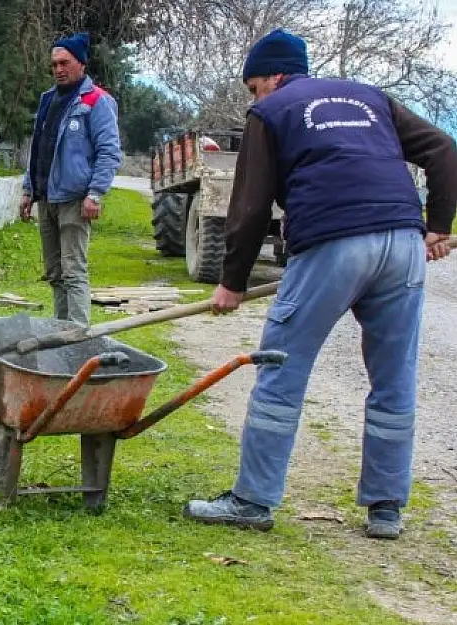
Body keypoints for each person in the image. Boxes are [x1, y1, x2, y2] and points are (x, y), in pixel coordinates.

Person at [183, 28, 456, 539]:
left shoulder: (272, 111)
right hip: (401, 244)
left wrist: (232, 283)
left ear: (273, 77)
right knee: (394, 377)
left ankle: (252, 499)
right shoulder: (371, 98)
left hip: (332, 244)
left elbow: (249, 204)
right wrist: (439, 225)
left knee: (281, 368)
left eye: (253, 86)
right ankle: (386, 509)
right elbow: (442, 147)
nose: (253, 97)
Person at [19, 31, 122, 327]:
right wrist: (29, 190)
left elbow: (110, 152)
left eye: (64, 63)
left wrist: (95, 193)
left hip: (75, 200)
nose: (58, 70)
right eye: (54, 65)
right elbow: (38, 149)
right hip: (47, 199)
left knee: (73, 272)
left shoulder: (96, 101)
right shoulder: (48, 100)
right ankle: (59, 333)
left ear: (81, 64)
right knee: (54, 272)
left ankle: (78, 339)